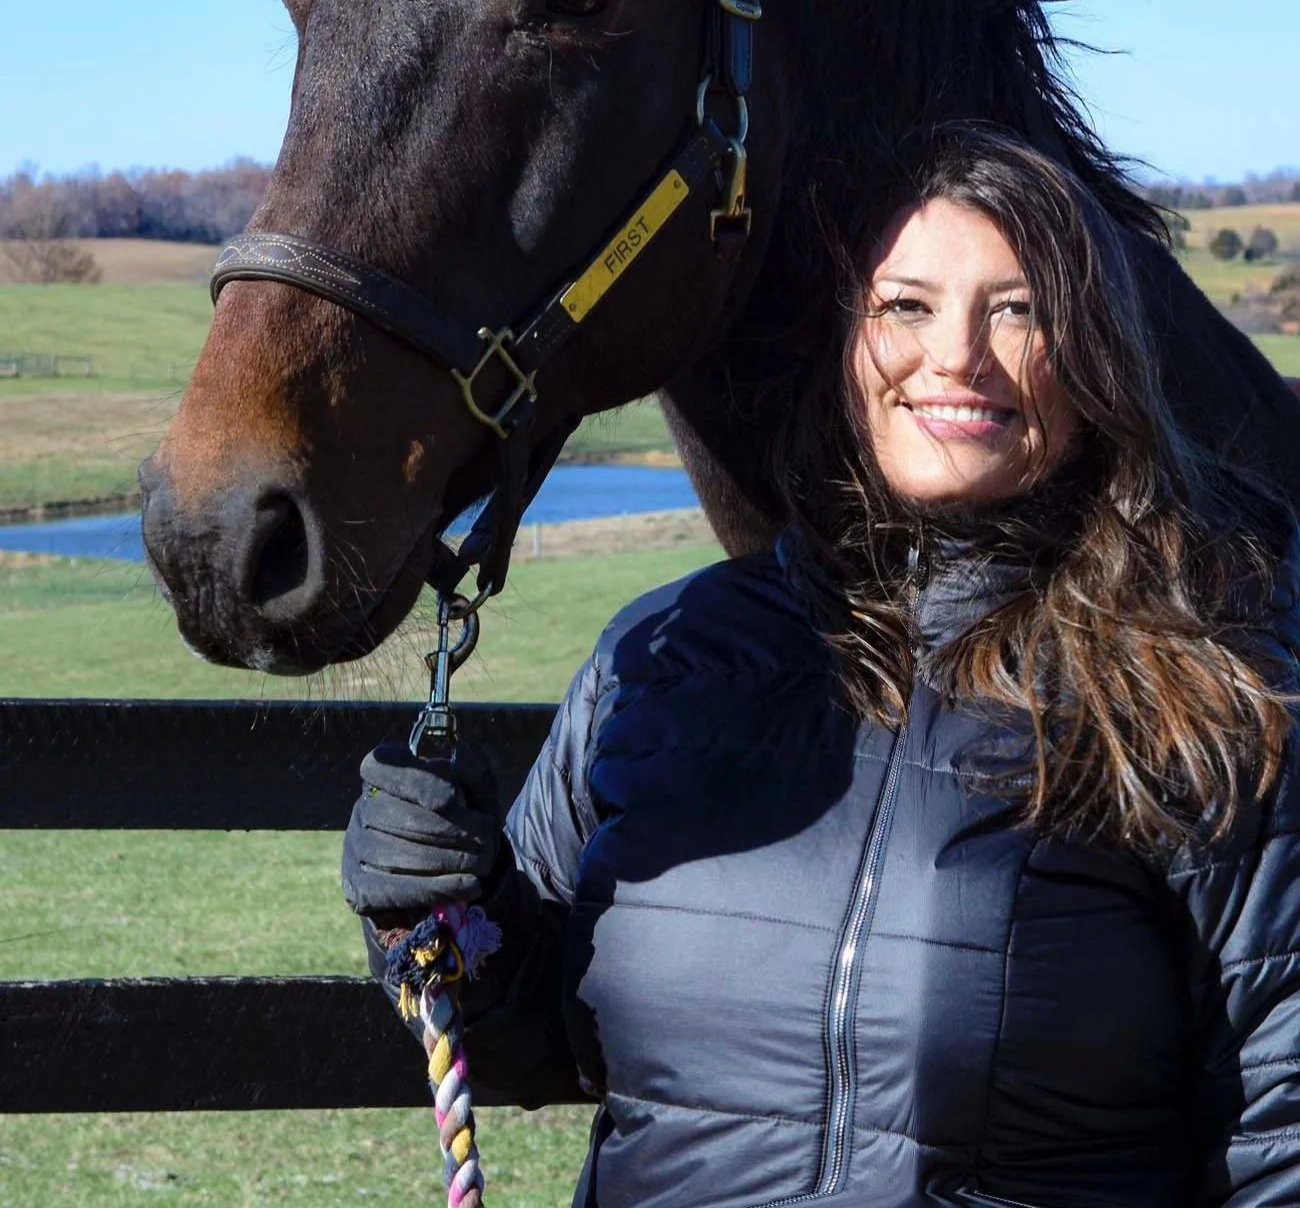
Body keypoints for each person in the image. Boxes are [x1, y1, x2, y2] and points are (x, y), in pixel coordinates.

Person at [342, 127, 1300, 1208]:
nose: (957, 357)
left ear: (1093, 355)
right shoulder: (664, 658)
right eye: (906, 306)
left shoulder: (1192, 686)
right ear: (843, 340)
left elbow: (1283, 1130)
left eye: (1020, 309)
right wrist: (442, 905)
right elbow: (531, 1043)